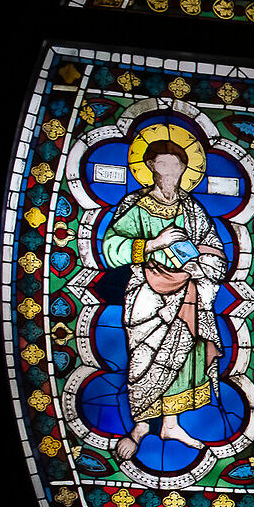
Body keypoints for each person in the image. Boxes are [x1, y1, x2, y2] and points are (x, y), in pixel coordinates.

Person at [100, 121, 229, 461]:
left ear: (185, 169)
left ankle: (171, 424)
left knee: (184, 356)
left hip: (188, 291)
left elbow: (215, 248)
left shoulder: (192, 209)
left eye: (177, 165)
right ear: (151, 167)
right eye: (163, 164)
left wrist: (201, 263)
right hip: (148, 293)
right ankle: (141, 425)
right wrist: (153, 244)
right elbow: (110, 248)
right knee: (145, 358)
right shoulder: (135, 204)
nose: (171, 171)